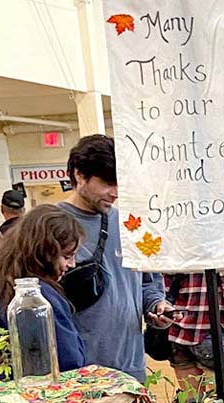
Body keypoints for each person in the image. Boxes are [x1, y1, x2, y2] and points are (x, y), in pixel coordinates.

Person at [57, 134, 176, 381]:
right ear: (79, 175)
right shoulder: (51, 225)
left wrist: (157, 308)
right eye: (107, 183)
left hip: (131, 368)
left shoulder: (130, 225)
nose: (115, 193)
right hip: (80, 373)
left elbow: (147, 284)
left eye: (119, 184)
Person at [0, 205, 86, 371]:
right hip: (35, 393)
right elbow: (70, 361)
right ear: (44, 252)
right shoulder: (38, 298)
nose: (72, 264)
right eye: (67, 256)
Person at [167, 271, 224, 385]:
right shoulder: (222, 253)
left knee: (191, 399)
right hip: (211, 332)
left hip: (177, 332)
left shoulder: (179, 253)